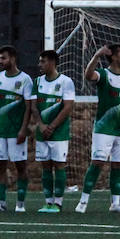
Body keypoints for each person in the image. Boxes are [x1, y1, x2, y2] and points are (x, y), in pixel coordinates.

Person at [76, 44, 120, 215]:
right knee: (97, 163)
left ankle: (115, 203)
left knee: (118, 165)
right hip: (104, 128)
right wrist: (97, 55)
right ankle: (83, 201)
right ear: (113, 56)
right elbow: (88, 75)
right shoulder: (104, 74)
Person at [0, 45, 34, 213]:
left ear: (13, 58)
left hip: (16, 132)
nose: (0, 61)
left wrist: (24, 129)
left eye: (3, 58)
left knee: (20, 166)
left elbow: (28, 107)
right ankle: (1, 203)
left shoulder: (25, 79)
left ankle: (20, 204)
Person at [31, 49, 75, 213]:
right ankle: (48, 202)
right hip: (42, 132)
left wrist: (52, 126)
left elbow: (68, 107)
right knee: (46, 166)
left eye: (42, 61)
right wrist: (41, 125)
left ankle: (58, 203)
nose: (40, 65)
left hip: (59, 132)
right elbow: (34, 107)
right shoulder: (37, 82)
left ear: (52, 62)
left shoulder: (66, 82)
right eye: (40, 61)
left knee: (59, 165)